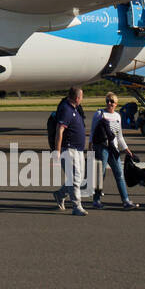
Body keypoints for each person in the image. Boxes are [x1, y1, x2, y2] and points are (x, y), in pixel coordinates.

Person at [51, 87, 88, 216]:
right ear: (77, 98)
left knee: (78, 177)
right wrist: (57, 151)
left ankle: (60, 194)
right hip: (69, 149)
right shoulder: (66, 110)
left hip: (78, 149)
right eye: (81, 97)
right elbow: (59, 132)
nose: (82, 99)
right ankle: (77, 206)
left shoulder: (75, 108)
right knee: (75, 178)